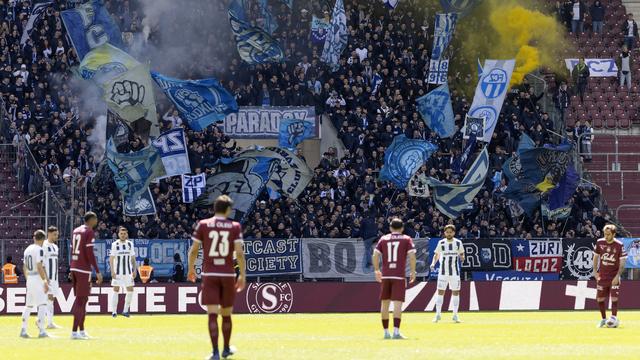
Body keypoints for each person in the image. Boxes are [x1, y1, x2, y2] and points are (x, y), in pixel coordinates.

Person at [187, 195, 246, 360]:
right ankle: (226, 349)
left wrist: (191, 269)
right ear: (228, 210)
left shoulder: (203, 225)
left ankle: (214, 353)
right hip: (227, 274)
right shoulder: (234, 226)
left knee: (212, 314)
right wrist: (242, 275)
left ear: (214, 208)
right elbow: (239, 255)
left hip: (210, 274)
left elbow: (193, 251)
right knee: (226, 315)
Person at [372, 218, 417, 340]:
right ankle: (396, 332)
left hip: (386, 274)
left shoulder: (384, 239)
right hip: (399, 275)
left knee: (384, 304)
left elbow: (375, 255)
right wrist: (413, 271)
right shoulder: (406, 239)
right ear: (402, 228)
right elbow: (412, 257)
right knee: (397, 304)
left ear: (390, 228)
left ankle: (386, 332)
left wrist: (376, 270)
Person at [69, 211, 103, 340]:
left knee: (83, 300)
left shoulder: (75, 230)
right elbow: (89, 253)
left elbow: (72, 249)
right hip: (83, 269)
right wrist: (98, 271)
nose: (97, 221)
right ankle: (73, 332)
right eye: (96, 219)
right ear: (92, 219)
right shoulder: (89, 231)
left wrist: (71, 266)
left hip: (74, 267)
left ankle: (81, 330)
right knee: (80, 300)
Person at [430, 224, 465, 323]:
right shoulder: (441, 243)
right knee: (440, 292)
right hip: (443, 272)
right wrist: (433, 264)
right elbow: (436, 255)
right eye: (447, 232)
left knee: (456, 293)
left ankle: (455, 315)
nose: (449, 234)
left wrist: (462, 257)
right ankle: (437, 314)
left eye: (451, 232)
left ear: (454, 233)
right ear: (444, 233)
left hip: (455, 272)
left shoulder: (458, 243)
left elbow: (462, 254)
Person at [593, 224, 626, 328]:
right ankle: (603, 319)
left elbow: (622, 263)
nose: (606, 236)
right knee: (600, 299)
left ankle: (613, 318)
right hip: (602, 276)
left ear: (614, 234)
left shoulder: (619, 245)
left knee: (614, 298)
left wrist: (618, 276)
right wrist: (595, 271)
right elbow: (595, 257)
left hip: (614, 276)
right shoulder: (599, 242)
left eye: (608, 234)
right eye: (605, 234)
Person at [20, 230, 49, 338]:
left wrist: (28, 279)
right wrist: (45, 280)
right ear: (43, 239)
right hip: (37, 277)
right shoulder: (40, 250)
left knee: (28, 305)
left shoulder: (27, 249)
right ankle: (42, 331)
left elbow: (24, 267)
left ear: (34, 238)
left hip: (30, 278)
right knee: (42, 304)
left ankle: (23, 329)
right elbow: (39, 265)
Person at [110, 226, 137, 318]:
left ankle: (125, 311)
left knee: (130, 290)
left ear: (127, 235)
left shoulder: (130, 244)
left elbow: (133, 258)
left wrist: (134, 270)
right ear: (118, 234)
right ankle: (114, 312)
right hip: (117, 272)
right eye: (121, 233)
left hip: (128, 272)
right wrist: (112, 271)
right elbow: (111, 258)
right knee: (116, 290)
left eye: (124, 233)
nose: (122, 235)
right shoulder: (114, 244)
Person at [43, 226, 61, 329]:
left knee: (51, 299)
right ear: (48, 234)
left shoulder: (55, 247)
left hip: (55, 278)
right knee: (48, 298)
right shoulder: (44, 246)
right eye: (54, 234)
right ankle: (49, 322)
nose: (56, 236)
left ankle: (47, 321)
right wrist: (45, 277)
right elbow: (42, 263)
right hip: (47, 278)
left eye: (57, 234)